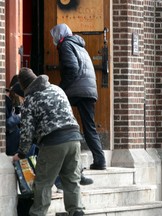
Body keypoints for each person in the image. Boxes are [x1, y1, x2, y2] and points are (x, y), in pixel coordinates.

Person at [12, 67, 84, 216]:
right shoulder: (57, 89)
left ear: (24, 85)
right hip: (75, 138)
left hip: (54, 142)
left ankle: (38, 213)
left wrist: (21, 154)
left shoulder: (30, 99)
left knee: (43, 183)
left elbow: (26, 132)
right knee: (72, 180)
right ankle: (77, 211)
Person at [50, 23, 106, 170]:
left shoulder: (66, 45)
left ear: (59, 34)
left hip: (77, 89)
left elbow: (72, 68)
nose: (53, 39)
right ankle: (100, 160)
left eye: (54, 35)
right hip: (88, 90)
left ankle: (68, 159)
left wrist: (61, 89)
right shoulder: (79, 45)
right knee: (89, 126)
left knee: (61, 119)